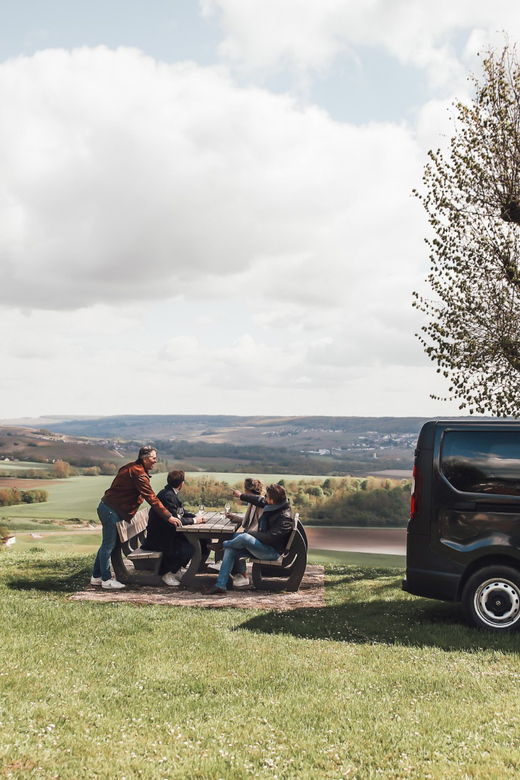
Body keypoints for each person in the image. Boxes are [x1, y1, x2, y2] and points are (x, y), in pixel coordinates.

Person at [90, 446, 180, 589]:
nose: (155, 461)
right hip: (111, 511)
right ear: (145, 458)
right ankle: (106, 580)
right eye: (153, 458)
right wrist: (168, 516)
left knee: (108, 544)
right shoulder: (139, 474)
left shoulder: (132, 467)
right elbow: (152, 498)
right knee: (109, 545)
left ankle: (96, 576)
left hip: (110, 508)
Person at [203, 483, 293, 595]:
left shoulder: (284, 517)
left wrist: (251, 534)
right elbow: (258, 500)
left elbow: (270, 538)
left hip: (272, 552)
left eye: (267, 496)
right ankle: (220, 585)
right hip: (262, 547)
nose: (264, 498)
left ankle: (222, 545)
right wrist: (241, 495)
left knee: (244, 537)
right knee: (232, 546)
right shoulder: (275, 505)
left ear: (273, 499)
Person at [142, 469, 207, 586]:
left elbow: (180, 512)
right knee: (189, 547)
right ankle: (167, 574)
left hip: (164, 533)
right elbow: (176, 520)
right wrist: (195, 520)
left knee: (203, 540)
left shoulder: (168, 493)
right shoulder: (168, 496)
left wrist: (195, 516)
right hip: (159, 539)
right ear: (181, 483)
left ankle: (176, 570)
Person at [207, 477, 265, 588]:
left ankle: (238, 572)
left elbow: (255, 520)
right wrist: (237, 518)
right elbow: (251, 521)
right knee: (231, 536)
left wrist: (240, 495)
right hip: (253, 535)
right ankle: (233, 570)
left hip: (257, 539)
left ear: (247, 490)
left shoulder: (259, 501)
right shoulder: (254, 502)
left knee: (234, 538)